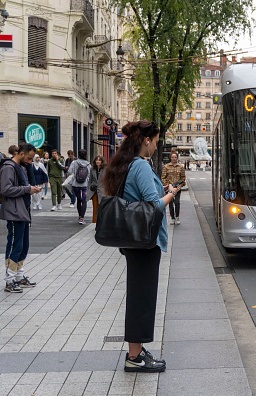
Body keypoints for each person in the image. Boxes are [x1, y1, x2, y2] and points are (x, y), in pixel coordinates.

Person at [103, 120, 180, 373]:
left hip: (133, 242)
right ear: (146, 140)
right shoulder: (141, 166)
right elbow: (153, 206)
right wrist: (171, 194)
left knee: (139, 296)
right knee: (142, 299)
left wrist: (162, 190)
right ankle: (134, 357)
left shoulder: (126, 164)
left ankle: (136, 350)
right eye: (156, 142)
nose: (157, 147)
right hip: (145, 243)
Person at [0, 144, 42, 293]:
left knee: (23, 245)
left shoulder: (21, 167)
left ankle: (18, 275)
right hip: (14, 212)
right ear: (22, 153)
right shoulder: (8, 167)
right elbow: (5, 189)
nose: (31, 161)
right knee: (15, 244)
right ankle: (9, 280)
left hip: (22, 210)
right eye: (29, 158)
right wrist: (27, 189)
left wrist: (30, 189)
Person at [160, 151, 186, 225]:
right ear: (170, 158)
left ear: (177, 158)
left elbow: (183, 178)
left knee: (177, 202)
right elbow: (163, 178)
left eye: (175, 157)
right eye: (172, 157)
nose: (174, 158)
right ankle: (172, 218)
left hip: (178, 188)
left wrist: (180, 185)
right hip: (170, 188)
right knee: (170, 203)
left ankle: (177, 217)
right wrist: (168, 185)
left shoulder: (181, 167)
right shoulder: (166, 167)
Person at [68, 149, 91, 224]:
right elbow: (90, 175)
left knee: (79, 200)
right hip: (85, 184)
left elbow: (69, 172)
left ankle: (79, 216)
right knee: (84, 200)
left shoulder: (74, 162)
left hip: (76, 184)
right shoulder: (88, 164)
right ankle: (82, 218)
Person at [87, 155, 105, 223]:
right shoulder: (92, 169)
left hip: (102, 190)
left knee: (102, 206)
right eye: (96, 160)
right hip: (94, 190)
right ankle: (94, 222)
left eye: (99, 160)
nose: (98, 161)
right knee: (95, 207)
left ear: (102, 161)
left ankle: (102, 222)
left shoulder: (105, 169)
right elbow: (90, 180)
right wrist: (88, 189)